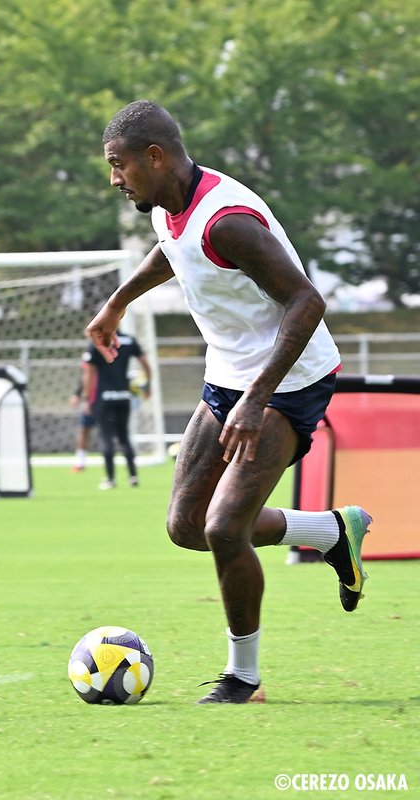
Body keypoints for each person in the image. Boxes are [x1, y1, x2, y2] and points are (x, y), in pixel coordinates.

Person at [86, 100, 371, 704]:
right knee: (186, 526)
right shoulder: (170, 204)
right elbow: (173, 250)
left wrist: (255, 399)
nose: (114, 178)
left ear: (155, 156)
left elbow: (307, 301)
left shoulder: (227, 219)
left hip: (288, 380)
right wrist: (118, 302)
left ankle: (244, 677)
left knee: (222, 527)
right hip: (229, 377)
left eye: (118, 165)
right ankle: (329, 531)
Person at [82, 330, 152, 489]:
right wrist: (147, 385)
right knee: (124, 437)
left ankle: (110, 479)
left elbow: (89, 371)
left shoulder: (97, 342)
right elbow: (145, 362)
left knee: (106, 438)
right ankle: (133, 476)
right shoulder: (128, 340)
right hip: (124, 395)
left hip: (104, 397)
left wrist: (87, 398)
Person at [68, 378, 94, 472]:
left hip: (108, 398)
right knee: (84, 429)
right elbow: (86, 375)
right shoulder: (90, 363)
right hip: (93, 400)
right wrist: (77, 394)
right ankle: (80, 462)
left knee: (111, 432)